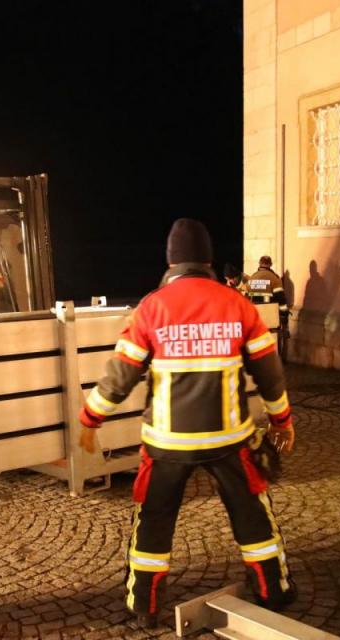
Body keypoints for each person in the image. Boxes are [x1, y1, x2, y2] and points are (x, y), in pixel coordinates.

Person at [79, 219, 297, 628]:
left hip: (166, 443)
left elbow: (120, 375)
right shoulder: (237, 304)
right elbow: (270, 374)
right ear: (208, 261)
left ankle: (144, 605)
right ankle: (274, 590)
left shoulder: (151, 307)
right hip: (229, 439)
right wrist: (281, 420)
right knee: (251, 514)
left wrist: (91, 418)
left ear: (171, 262)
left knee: (154, 520)